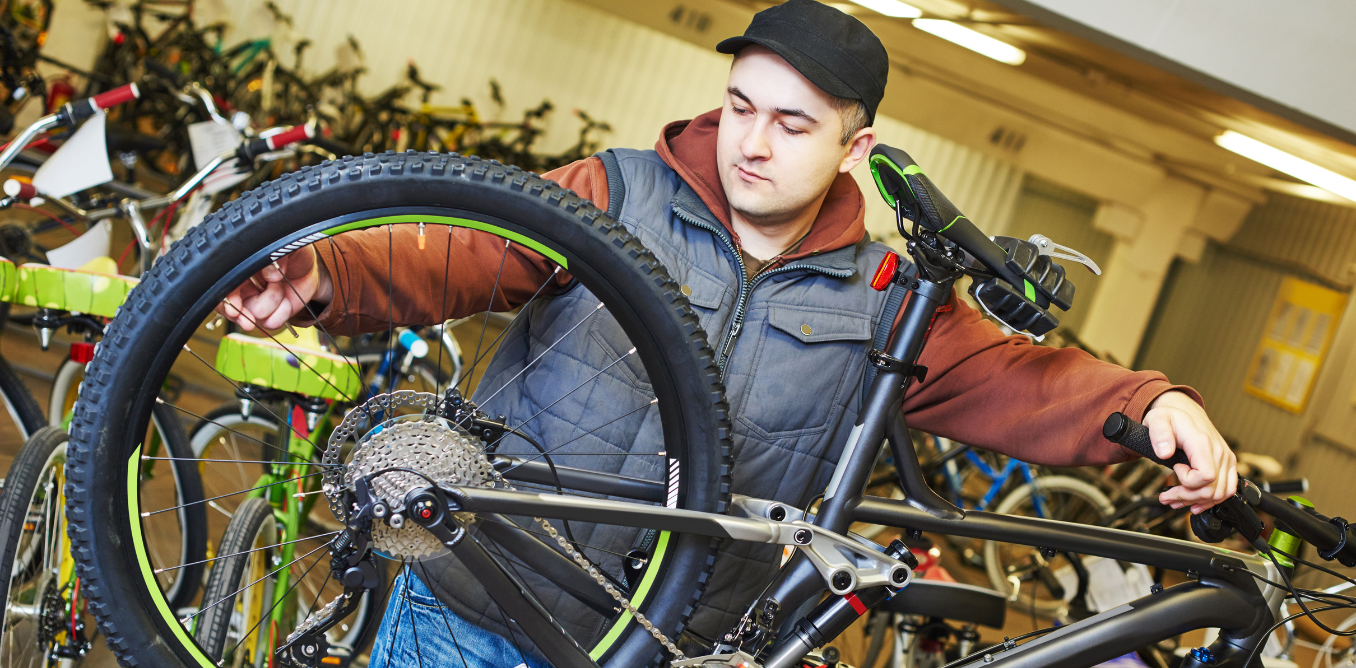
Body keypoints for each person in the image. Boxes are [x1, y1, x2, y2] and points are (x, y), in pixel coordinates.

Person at [219, 0, 1236, 663]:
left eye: (793, 124)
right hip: (473, 611)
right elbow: (451, 249)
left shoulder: (882, 296)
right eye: (742, 106)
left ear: (857, 144)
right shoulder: (614, 193)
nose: (753, 142)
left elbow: (1020, 378)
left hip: (666, 646)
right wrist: (323, 269)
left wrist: (1154, 402)